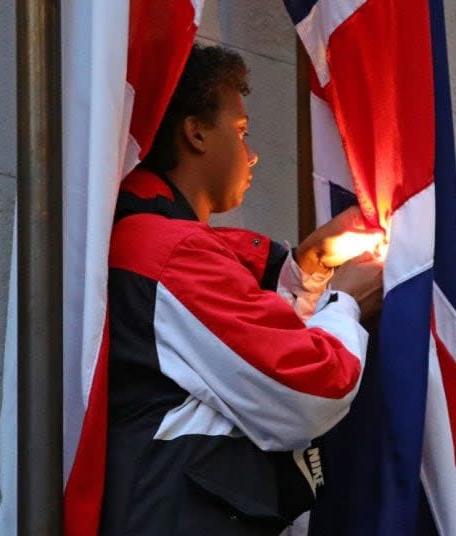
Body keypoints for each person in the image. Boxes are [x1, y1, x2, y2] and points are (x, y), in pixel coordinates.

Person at [99, 44, 383, 535]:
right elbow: (307, 388)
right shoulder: (167, 250)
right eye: (241, 131)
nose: (251, 154)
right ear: (196, 132)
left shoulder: (166, 245)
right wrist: (345, 303)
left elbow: (234, 351)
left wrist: (308, 268)